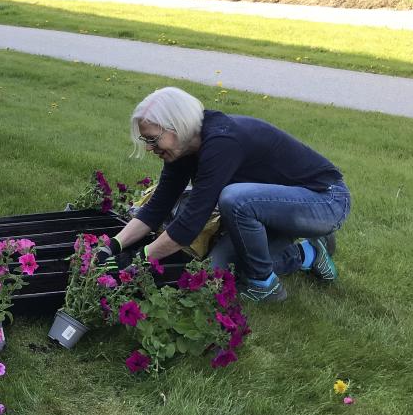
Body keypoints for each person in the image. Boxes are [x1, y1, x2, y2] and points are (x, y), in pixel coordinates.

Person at [101, 87, 351, 302]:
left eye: (153, 139)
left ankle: (265, 286)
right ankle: (309, 253)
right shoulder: (183, 148)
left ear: (176, 126)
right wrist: (112, 247)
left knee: (235, 198)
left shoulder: (222, 142)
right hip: (273, 210)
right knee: (217, 272)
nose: (149, 147)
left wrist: (138, 260)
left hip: (325, 201)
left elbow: (188, 226)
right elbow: (157, 207)